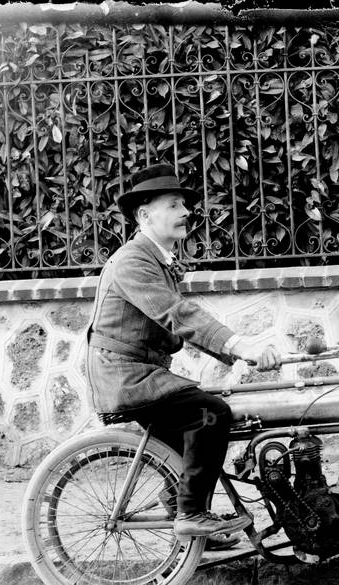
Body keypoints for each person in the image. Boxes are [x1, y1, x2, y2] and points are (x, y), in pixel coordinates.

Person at [85, 164, 281, 548]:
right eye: (173, 205)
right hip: (127, 377)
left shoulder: (156, 260)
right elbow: (177, 315)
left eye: (184, 205)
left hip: (139, 373)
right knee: (212, 413)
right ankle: (190, 513)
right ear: (145, 215)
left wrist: (237, 354)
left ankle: (178, 503)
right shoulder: (133, 261)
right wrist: (239, 345)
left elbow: (179, 320)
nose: (186, 212)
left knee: (201, 422)